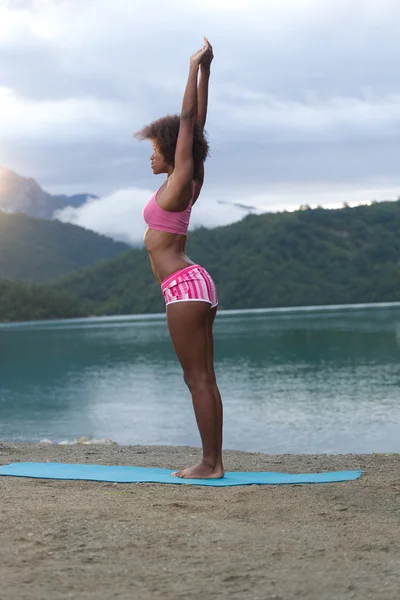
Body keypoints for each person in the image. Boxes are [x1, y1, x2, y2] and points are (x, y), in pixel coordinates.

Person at [135, 38, 224, 479]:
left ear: (172, 150)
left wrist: (193, 67)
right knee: (203, 377)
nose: (150, 154)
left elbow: (190, 122)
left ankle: (210, 463)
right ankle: (213, 461)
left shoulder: (181, 179)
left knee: (197, 379)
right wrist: (208, 72)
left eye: (154, 147)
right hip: (194, 286)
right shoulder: (183, 181)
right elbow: (197, 129)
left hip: (184, 287)